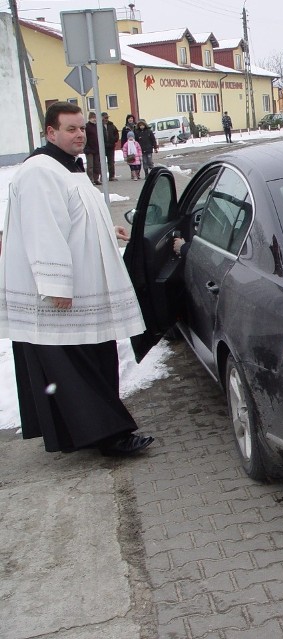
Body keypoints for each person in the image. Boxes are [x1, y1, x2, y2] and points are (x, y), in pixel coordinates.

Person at [0, 101, 154, 457]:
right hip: (61, 299)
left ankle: (90, 433)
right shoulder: (40, 171)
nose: (79, 134)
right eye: (70, 129)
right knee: (76, 371)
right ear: (50, 132)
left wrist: (104, 228)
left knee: (93, 361)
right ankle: (111, 436)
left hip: (81, 294)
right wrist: (55, 286)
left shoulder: (68, 169)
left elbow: (74, 217)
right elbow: (43, 232)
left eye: (82, 128)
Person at [83, 111, 101, 185]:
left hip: (96, 149)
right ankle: (90, 179)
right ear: (89, 118)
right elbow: (84, 138)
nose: (94, 119)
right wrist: (85, 147)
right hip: (89, 149)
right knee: (90, 166)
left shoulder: (97, 126)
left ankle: (96, 179)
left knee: (97, 165)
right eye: (93, 118)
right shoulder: (86, 126)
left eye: (95, 118)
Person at [101, 112, 119, 181]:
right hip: (103, 147)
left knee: (111, 162)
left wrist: (114, 139)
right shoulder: (99, 125)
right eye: (105, 118)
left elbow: (116, 133)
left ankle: (112, 176)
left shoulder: (111, 125)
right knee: (101, 162)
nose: (106, 119)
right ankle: (102, 177)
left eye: (107, 117)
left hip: (111, 146)